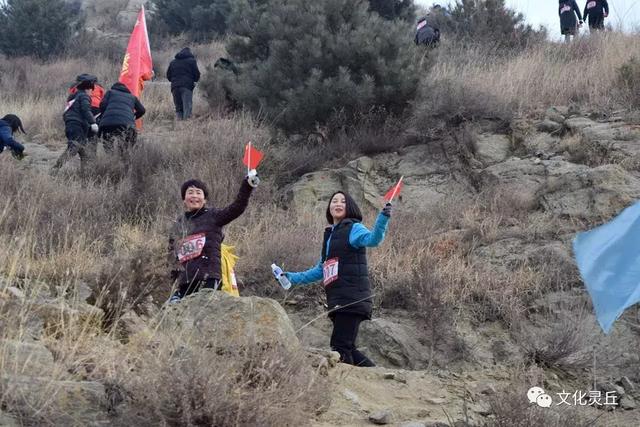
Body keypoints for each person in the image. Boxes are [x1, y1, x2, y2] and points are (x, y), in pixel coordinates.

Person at [283, 192, 393, 367]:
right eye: (334, 201)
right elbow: (320, 270)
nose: (338, 204)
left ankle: (361, 381)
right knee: (346, 348)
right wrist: (289, 277)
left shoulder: (354, 228)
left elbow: (374, 240)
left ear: (349, 207)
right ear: (329, 208)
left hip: (352, 298)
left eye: (343, 201)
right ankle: (378, 377)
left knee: (340, 347)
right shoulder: (330, 235)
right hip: (338, 299)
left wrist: (383, 217)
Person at [167, 173, 260, 303]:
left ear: (205, 200)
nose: (194, 196)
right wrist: (173, 281)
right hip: (185, 281)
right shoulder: (178, 225)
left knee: (205, 313)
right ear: (184, 199)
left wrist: (247, 185)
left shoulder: (213, 216)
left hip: (208, 277)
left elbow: (237, 207)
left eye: (198, 193)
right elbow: (172, 256)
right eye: (190, 192)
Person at [53, 80, 98, 170]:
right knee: (74, 148)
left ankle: (84, 175)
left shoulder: (74, 98)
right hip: (76, 125)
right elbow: (86, 110)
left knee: (84, 151)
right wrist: (93, 123)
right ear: (87, 89)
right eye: (91, 90)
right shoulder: (84, 96)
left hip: (72, 125)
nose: (91, 93)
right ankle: (56, 168)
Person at [98, 82, 145, 157]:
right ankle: (122, 162)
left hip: (108, 123)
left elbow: (102, 105)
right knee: (124, 149)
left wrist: (106, 115)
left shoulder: (110, 92)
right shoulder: (132, 97)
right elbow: (142, 110)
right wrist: (133, 117)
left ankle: (110, 160)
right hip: (126, 124)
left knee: (108, 145)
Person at [166, 47, 201, 120]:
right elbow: (197, 75)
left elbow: (168, 76)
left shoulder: (173, 62)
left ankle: (179, 126)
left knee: (178, 108)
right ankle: (186, 127)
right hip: (186, 86)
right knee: (187, 107)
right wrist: (193, 80)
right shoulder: (192, 61)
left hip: (175, 87)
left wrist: (174, 81)